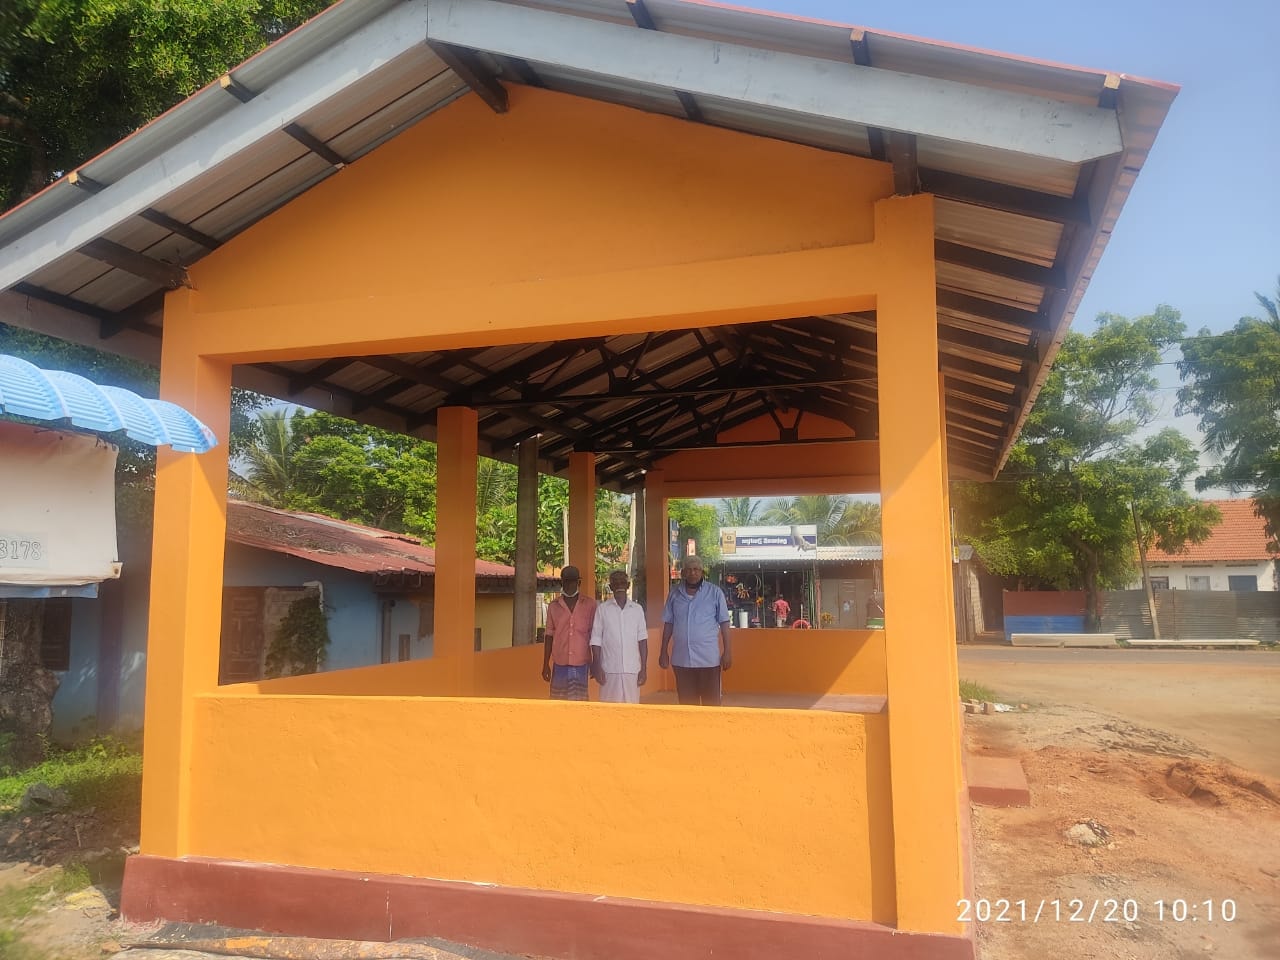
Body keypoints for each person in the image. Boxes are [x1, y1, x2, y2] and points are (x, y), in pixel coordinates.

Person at [658, 555, 732, 706]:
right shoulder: (674, 594)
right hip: (682, 659)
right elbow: (668, 624)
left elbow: (724, 623)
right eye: (689, 569)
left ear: (702, 572)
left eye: (696, 569)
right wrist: (663, 651)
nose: (693, 573)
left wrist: (728, 652)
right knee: (687, 705)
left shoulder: (715, 593)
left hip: (708, 660)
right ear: (683, 572)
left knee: (711, 705)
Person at [590, 569, 648, 703]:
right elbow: (596, 640)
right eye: (615, 583)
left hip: (632, 671)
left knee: (631, 710)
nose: (619, 585)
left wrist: (644, 669)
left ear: (628, 585)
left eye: (622, 582)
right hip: (609, 670)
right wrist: (597, 666)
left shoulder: (637, 610)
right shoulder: (602, 609)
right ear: (611, 587)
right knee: (609, 710)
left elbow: (642, 640)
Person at [541, 565, 597, 700]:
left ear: (579, 583)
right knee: (558, 702)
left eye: (573, 581)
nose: (569, 585)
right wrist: (545, 664)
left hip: (581, 664)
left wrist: (596, 662)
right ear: (562, 583)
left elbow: (594, 636)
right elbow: (549, 636)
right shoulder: (553, 606)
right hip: (560, 663)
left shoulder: (590, 605)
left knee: (580, 702)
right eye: (566, 581)